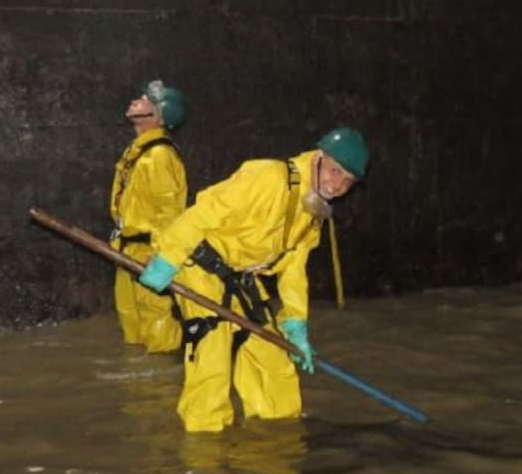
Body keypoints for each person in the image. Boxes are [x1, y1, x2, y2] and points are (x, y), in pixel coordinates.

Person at [137, 127, 368, 433]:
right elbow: (203, 213)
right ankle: (204, 448)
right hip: (200, 263)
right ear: (318, 158)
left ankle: (279, 437)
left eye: (347, 181)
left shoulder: (312, 211)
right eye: (335, 171)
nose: (337, 184)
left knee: (272, 358)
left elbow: (294, 268)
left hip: (242, 275)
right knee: (212, 353)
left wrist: (295, 324)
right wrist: (168, 257)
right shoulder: (269, 178)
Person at [108, 80, 187, 352]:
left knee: (157, 321)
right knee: (132, 321)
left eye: (144, 100)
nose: (135, 101)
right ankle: (141, 383)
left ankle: (162, 386)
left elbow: (170, 211)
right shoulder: (139, 151)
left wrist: (162, 255)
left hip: (147, 253)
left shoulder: (159, 156)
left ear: (157, 114)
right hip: (127, 250)